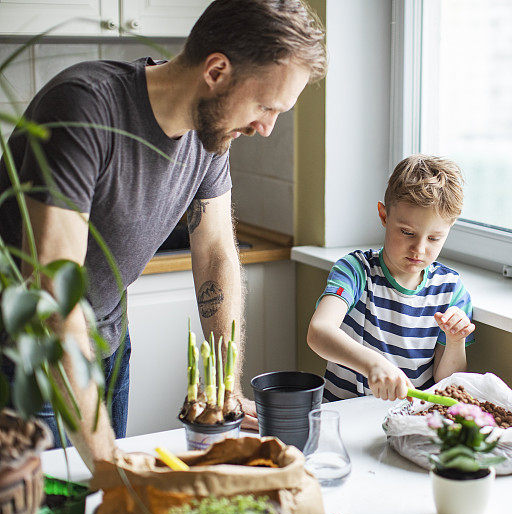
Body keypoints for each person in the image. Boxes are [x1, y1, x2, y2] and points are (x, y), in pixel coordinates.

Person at [0, 0, 326, 472]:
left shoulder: (212, 132)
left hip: (109, 340)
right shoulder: (83, 106)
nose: (266, 127)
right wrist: (108, 461)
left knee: (106, 508)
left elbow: (215, 253)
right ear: (216, 71)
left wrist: (223, 387)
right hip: (29, 353)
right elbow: (52, 295)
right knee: (51, 509)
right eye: (265, 106)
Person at [306, 155, 476, 402]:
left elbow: (447, 381)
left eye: (434, 238)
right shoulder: (356, 271)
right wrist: (372, 364)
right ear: (384, 216)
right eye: (407, 232)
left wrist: (454, 341)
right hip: (345, 414)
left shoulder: (451, 291)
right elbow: (319, 332)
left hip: (410, 419)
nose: (418, 249)